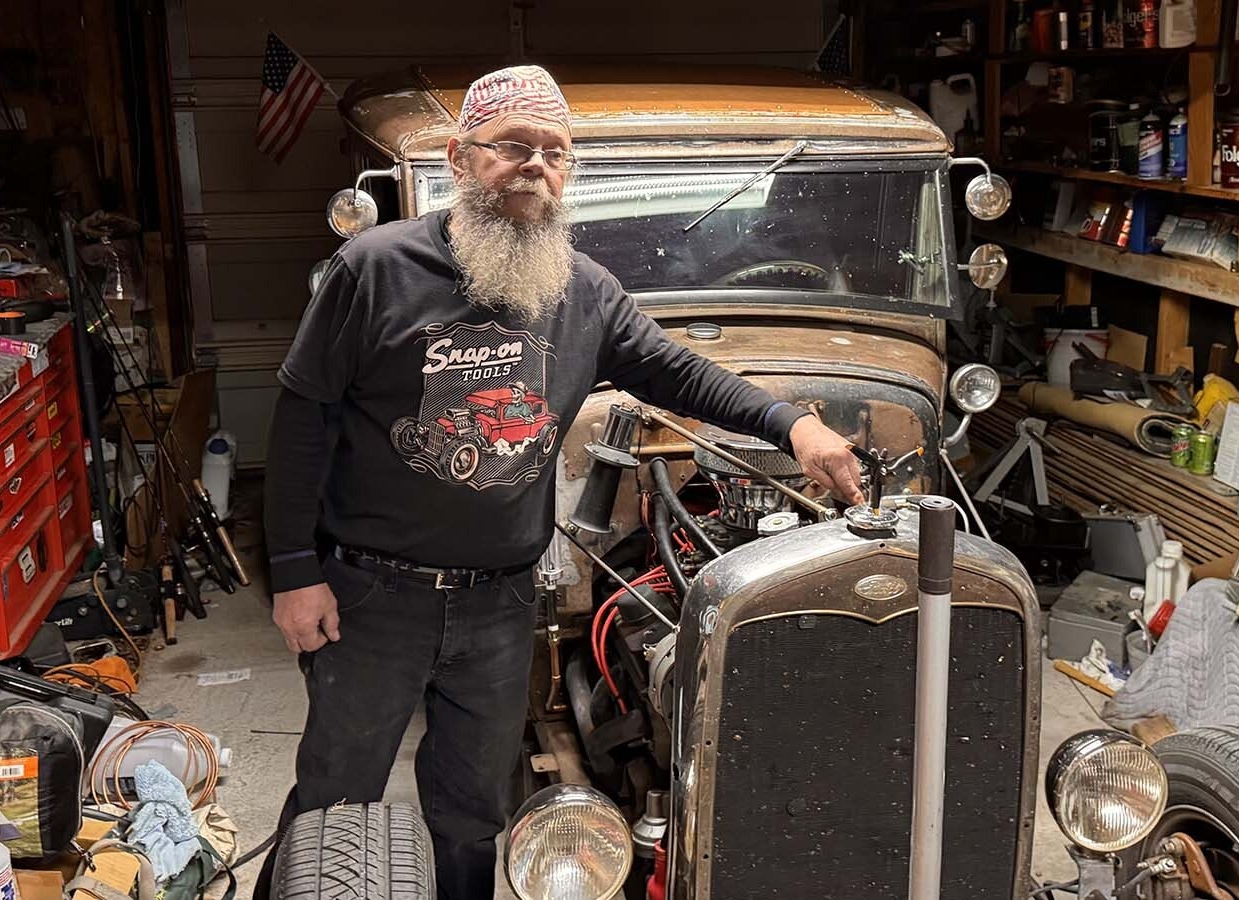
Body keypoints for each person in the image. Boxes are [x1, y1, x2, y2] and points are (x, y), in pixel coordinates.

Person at [259, 64, 865, 900]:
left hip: (501, 605)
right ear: (462, 159)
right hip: (372, 597)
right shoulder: (375, 268)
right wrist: (293, 571)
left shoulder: (581, 290)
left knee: (473, 812)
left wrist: (794, 424)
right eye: (512, 147)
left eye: (554, 152)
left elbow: (674, 372)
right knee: (335, 801)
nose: (534, 166)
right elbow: (302, 420)